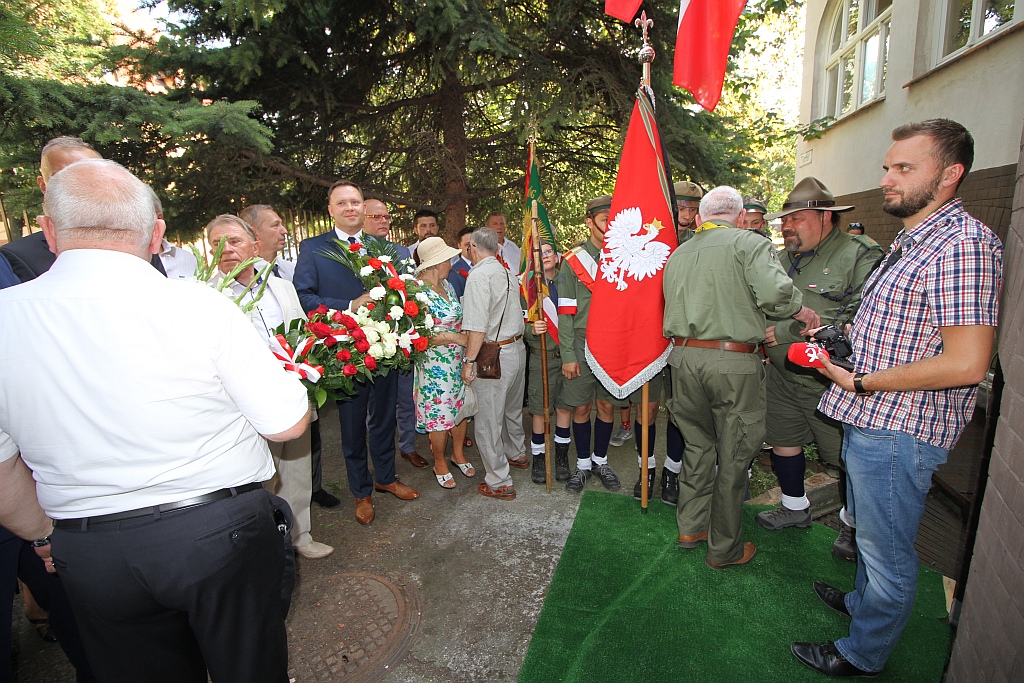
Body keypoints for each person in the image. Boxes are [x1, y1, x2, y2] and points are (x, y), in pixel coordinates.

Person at [0, 158, 310, 682]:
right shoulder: (201, 306)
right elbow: (288, 424)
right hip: (220, 534)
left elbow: (5, 475)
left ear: (50, 230)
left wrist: (46, 535)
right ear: (156, 233)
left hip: (93, 550)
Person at [792, 120, 1002, 678]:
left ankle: (864, 653)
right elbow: (899, 330)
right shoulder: (914, 239)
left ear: (950, 175)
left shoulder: (964, 245)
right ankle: (863, 606)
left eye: (904, 168)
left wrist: (862, 382)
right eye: (888, 166)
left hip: (899, 428)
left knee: (887, 554)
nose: (887, 178)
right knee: (869, 536)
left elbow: (966, 362)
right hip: (872, 416)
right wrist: (842, 342)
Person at [663, 186, 818, 569]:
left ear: (701, 218)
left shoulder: (679, 253)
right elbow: (774, 295)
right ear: (738, 214)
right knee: (734, 454)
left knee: (697, 446)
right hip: (732, 362)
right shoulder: (749, 244)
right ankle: (725, 548)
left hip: (683, 359)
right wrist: (802, 311)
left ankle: (690, 528)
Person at [755, 178, 883, 561]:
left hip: (828, 379)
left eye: (796, 218)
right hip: (780, 376)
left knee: (844, 456)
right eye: (784, 220)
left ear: (826, 216)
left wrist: (786, 330)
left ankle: (852, 526)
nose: (787, 226)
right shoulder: (780, 259)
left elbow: (862, 314)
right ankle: (794, 508)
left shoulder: (859, 254)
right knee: (783, 440)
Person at [206, 214, 334, 560]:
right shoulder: (208, 296)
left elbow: (304, 330)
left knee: (297, 466)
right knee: (258, 474)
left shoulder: (281, 285)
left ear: (253, 244)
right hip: (244, 403)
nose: (227, 249)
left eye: (234, 241)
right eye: (217, 243)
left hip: (292, 391)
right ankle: (266, 545)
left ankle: (300, 535)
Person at [293, 180, 419, 525]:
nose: (350, 207)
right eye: (342, 203)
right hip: (345, 353)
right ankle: (361, 491)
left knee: (384, 419)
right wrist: (349, 305)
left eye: (356, 202)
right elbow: (303, 296)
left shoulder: (384, 247)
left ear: (364, 207)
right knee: (351, 425)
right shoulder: (314, 248)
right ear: (331, 210)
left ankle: (386, 477)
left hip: (387, 349)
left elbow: (403, 289)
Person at [556, 196, 627, 494]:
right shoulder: (573, 262)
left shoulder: (625, 257)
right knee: (581, 407)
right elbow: (566, 314)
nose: (609, 225)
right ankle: (583, 464)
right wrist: (569, 355)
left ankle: (601, 460)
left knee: (607, 405)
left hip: (615, 343)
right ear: (590, 222)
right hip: (582, 342)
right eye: (603, 219)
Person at [460, 227, 526, 500]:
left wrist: (469, 361)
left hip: (493, 355)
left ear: (472, 248)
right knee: (512, 410)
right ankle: (517, 453)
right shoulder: (505, 270)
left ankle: (499, 481)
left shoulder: (478, 276)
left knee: (487, 420)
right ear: (497, 249)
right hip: (517, 349)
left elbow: (476, 327)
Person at [413, 236, 476, 487]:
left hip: (457, 360)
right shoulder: (417, 292)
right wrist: (455, 338)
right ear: (437, 263)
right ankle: (439, 460)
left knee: (460, 409)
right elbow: (418, 335)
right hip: (434, 366)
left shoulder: (448, 286)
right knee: (439, 414)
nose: (451, 263)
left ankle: (458, 453)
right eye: (448, 259)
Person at [0, 137, 101, 282]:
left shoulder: (140, 240)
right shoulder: (16, 258)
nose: (79, 185)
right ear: (43, 186)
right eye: (63, 177)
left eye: (91, 175)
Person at [522, 241, 572, 484]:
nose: (546, 256)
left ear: (556, 254)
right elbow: (521, 324)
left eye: (549, 251)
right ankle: (539, 459)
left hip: (567, 357)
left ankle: (562, 457)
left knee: (564, 408)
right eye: (540, 253)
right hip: (541, 357)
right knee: (540, 411)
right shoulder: (529, 288)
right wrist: (533, 330)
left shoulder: (568, 280)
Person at [240, 203, 294, 281]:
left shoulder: (292, 269)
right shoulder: (244, 275)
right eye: (275, 225)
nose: (284, 231)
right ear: (254, 233)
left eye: (281, 224)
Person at [447, 226, 475, 297]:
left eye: (474, 244)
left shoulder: (483, 266)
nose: (471, 248)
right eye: (467, 245)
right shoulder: (455, 272)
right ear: (459, 245)